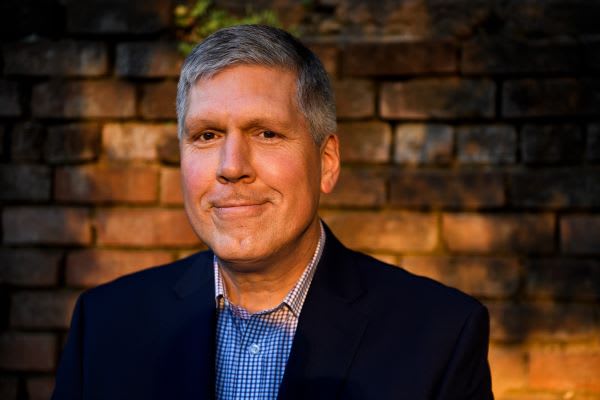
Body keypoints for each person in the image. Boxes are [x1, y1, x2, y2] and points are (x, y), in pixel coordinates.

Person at [52, 25, 493, 400]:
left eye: (266, 133)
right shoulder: (106, 324)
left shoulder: (439, 334)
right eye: (207, 135)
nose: (231, 167)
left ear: (327, 162)